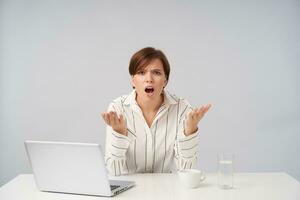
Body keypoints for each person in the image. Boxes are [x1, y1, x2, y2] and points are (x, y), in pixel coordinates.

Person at [101, 47, 211, 176]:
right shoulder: (117, 108)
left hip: (166, 190)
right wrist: (119, 134)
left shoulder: (182, 109)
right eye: (141, 72)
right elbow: (113, 171)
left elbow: (185, 170)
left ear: (165, 80)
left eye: (157, 73)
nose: (149, 79)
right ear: (133, 80)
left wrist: (189, 131)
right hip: (129, 191)